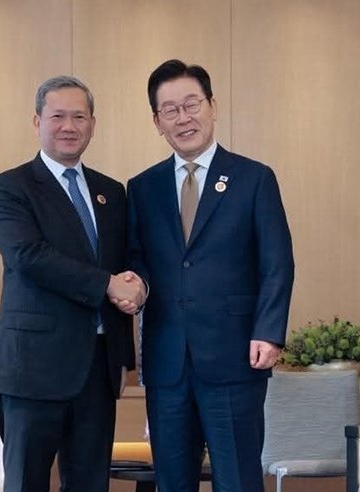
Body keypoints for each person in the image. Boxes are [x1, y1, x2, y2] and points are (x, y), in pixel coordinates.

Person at [123, 59, 294, 492]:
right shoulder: (142, 188)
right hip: (167, 363)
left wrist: (269, 332)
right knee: (172, 481)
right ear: (157, 122)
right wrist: (135, 287)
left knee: (237, 479)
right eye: (170, 110)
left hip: (234, 357)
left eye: (191, 104)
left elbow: (277, 262)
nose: (183, 118)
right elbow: (138, 260)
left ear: (212, 106)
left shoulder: (254, 178)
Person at [0, 75, 144, 492]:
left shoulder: (112, 192)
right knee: (27, 483)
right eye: (57, 117)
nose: (69, 126)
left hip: (97, 368)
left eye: (79, 117)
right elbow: (28, 256)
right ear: (37, 122)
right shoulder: (11, 186)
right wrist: (108, 285)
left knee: (90, 483)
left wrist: (137, 289)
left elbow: (126, 262)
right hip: (32, 368)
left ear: (93, 124)